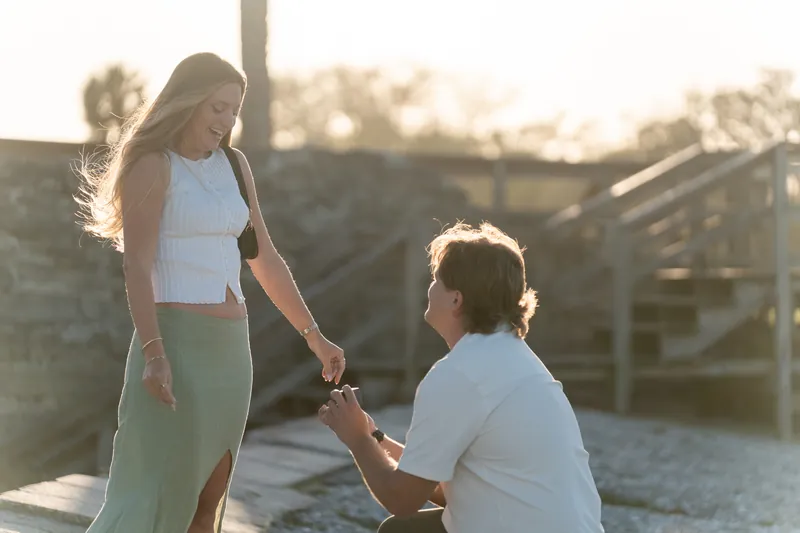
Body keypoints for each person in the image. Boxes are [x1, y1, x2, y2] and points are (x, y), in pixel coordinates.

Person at [76, 52, 345, 533]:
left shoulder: (234, 166)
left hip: (231, 351)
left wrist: (314, 336)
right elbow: (136, 266)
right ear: (188, 101)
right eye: (217, 107)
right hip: (176, 345)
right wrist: (155, 353)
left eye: (234, 110)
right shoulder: (152, 165)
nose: (226, 120)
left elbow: (264, 258)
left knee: (210, 492)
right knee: (161, 493)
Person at [318, 222, 604, 533]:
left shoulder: (458, 375)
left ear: (456, 300)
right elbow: (453, 488)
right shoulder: (515, 358)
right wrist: (374, 437)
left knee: (400, 530)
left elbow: (402, 499)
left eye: (436, 280)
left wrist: (357, 440)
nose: (429, 288)